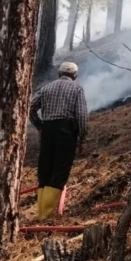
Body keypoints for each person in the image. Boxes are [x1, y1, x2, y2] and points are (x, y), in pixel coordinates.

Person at [29, 62, 88, 220]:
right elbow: (81, 116)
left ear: (59, 73)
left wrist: (40, 126)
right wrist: (82, 138)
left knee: (45, 169)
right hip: (66, 132)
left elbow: (31, 108)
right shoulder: (77, 89)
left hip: (48, 130)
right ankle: (47, 215)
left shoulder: (46, 88)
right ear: (75, 76)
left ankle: (41, 212)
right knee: (60, 170)